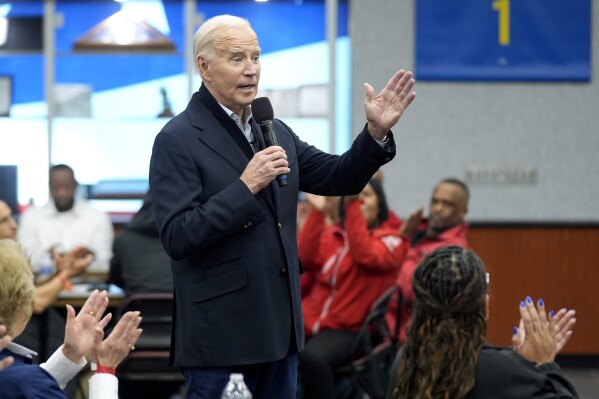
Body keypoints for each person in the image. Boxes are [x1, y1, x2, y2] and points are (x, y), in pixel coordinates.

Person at [148, 14, 416, 399]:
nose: (251, 70)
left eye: (256, 57)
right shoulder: (178, 138)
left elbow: (339, 176)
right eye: (237, 59)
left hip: (280, 331)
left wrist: (374, 134)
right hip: (222, 337)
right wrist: (246, 186)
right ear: (204, 67)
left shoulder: (271, 129)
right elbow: (178, 235)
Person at [389, 245, 578, 398]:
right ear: (485, 307)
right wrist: (545, 365)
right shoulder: (504, 373)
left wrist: (517, 362)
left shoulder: (405, 362)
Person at [297, 179, 408, 399]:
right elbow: (305, 259)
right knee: (275, 343)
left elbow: (364, 255)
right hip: (313, 323)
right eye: (356, 196)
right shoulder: (337, 235)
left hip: (352, 331)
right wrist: (317, 214)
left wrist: (351, 206)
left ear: (380, 203)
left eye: (366, 196)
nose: (360, 200)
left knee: (311, 358)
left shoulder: (392, 240)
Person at [0, 239, 143, 398]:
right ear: (21, 314)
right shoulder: (23, 381)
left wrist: (69, 355)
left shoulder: (22, 379)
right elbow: (29, 387)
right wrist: (105, 370)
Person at [387, 178, 470, 343]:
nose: (438, 208)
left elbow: (410, 289)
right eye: (435, 201)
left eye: (447, 204)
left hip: (411, 338)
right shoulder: (416, 229)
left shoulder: (455, 252)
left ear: (463, 212)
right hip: (385, 325)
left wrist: (402, 243)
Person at [17, 164, 114, 272]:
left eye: (67, 186)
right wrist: (49, 255)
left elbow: (104, 260)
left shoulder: (98, 217)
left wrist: (87, 255)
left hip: (87, 285)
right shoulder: (31, 217)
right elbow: (26, 259)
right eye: (56, 187)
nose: (62, 193)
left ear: (75, 185)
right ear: (49, 187)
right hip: (43, 285)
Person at [108, 193, 173, 297]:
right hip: (180, 311)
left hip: (135, 310)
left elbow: (114, 278)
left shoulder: (124, 238)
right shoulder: (184, 237)